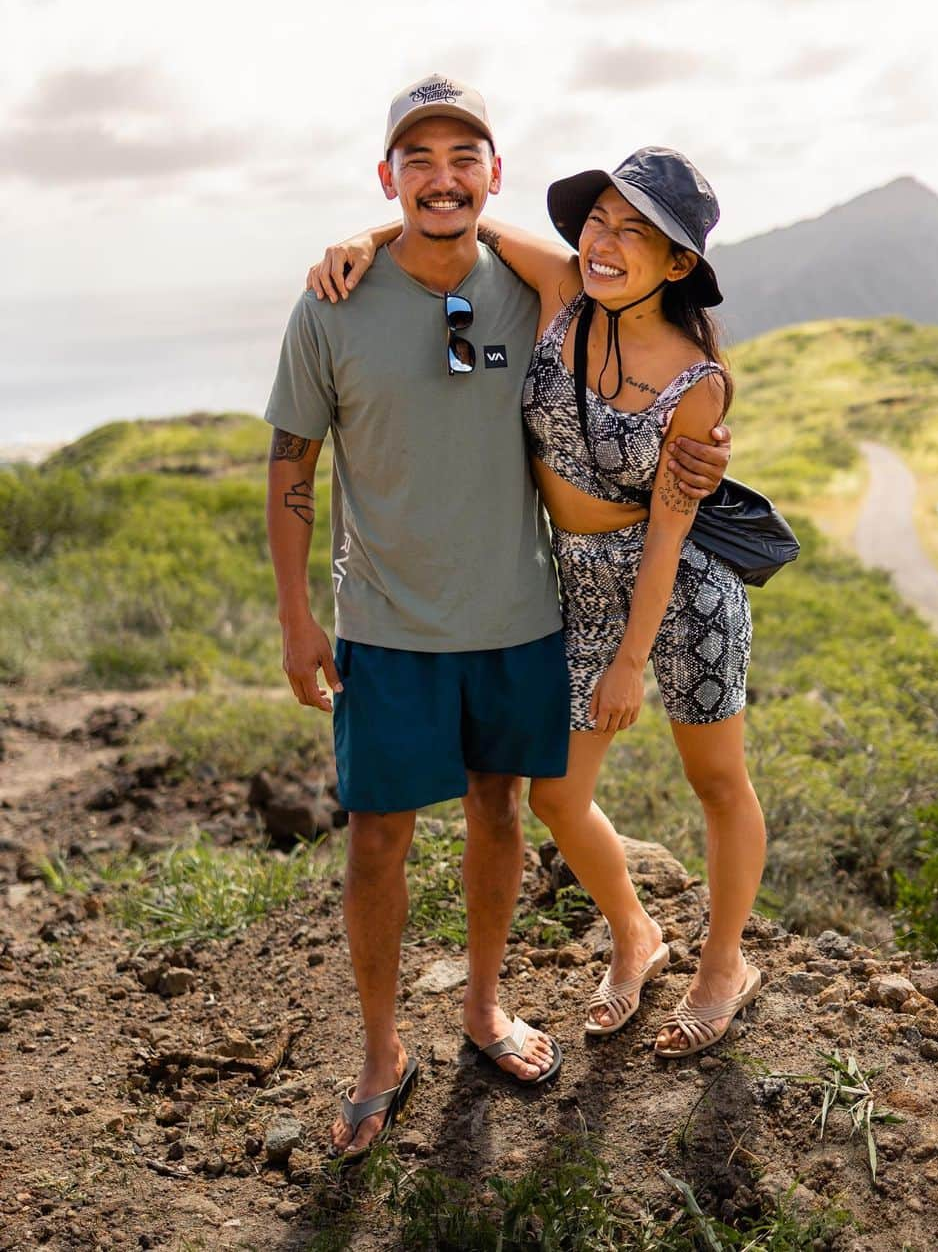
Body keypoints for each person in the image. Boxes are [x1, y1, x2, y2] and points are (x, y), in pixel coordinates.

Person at [264, 74, 732, 1161]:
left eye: (462, 155)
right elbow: (291, 460)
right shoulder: (330, 302)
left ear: (493, 174)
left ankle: (482, 1008)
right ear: (387, 175)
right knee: (379, 837)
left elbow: (653, 327)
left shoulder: (545, 296)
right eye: (416, 159)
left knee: (502, 814)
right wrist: (295, 616)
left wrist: (700, 447)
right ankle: (383, 1051)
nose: (441, 175)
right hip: (383, 625)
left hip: (523, 616)